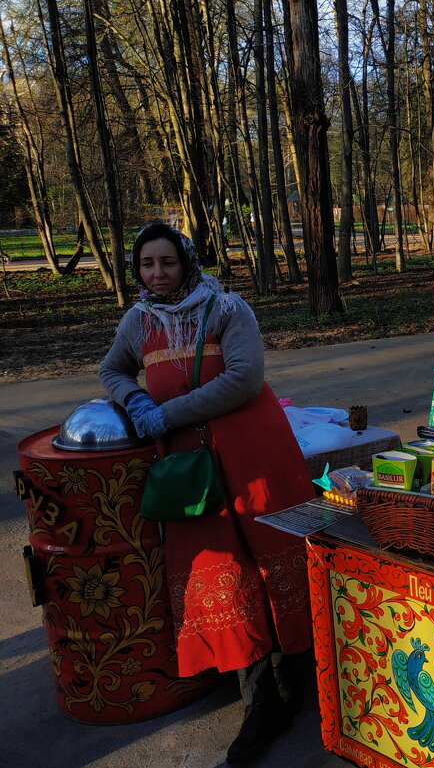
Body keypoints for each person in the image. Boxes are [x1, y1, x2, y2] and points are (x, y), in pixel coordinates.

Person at [100, 222, 312, 764]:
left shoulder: (225, 309)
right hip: (192, 468)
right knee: (226, 572)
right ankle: (260, 701)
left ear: (185, 262)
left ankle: (302, 677)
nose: (157, 273)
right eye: (147, 264)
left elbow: (245, 377)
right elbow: (112, 369)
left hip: (253, 453)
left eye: (166, 262)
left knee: (274, 556)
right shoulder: (138, 320)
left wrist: (164, 412)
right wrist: (133, 400)